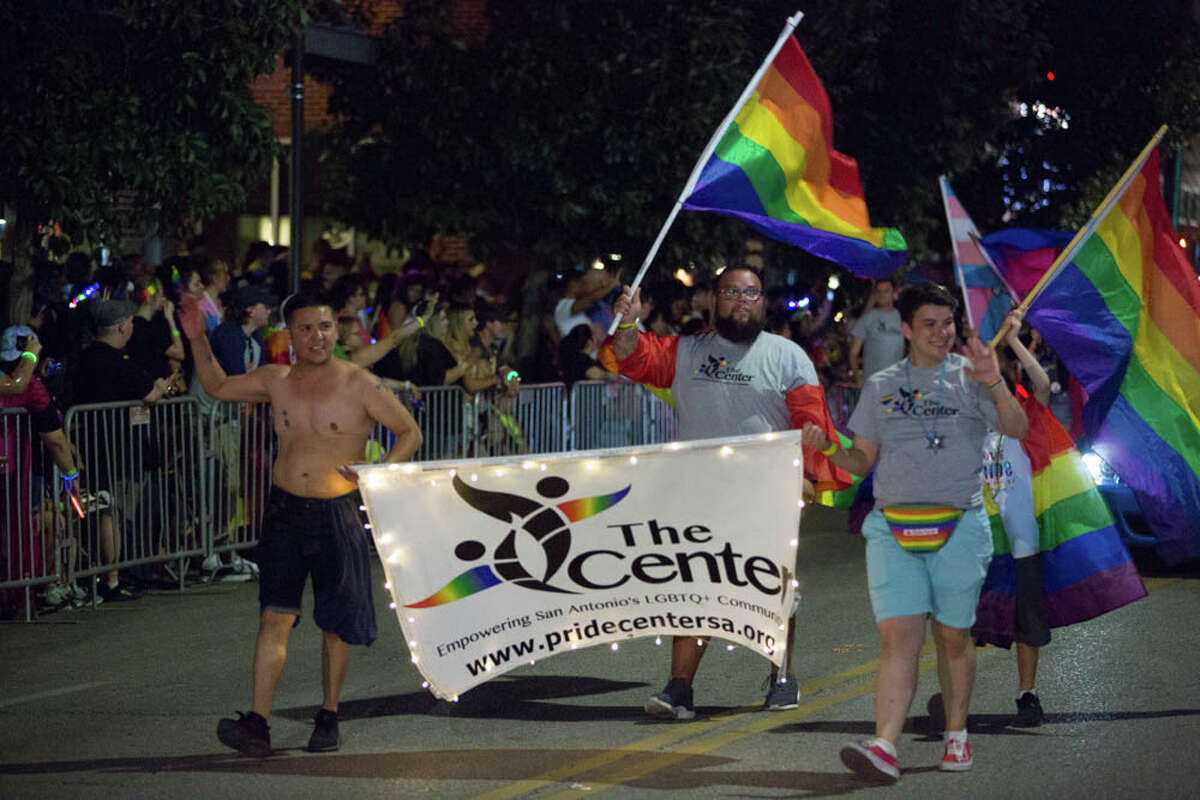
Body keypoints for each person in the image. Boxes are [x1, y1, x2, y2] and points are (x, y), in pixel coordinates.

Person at [801, 281, 1027, 783]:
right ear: (905, 328)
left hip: (960, 524)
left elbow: (1016, 428)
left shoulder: (975, 377)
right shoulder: (881, 384)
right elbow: (861, 459)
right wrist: (824, 450)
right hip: (893, 528)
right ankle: (885, 744)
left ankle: (956, 735)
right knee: (898, 640)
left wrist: (996, 383)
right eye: (929, 324)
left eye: (947, 323)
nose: (941, 333)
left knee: (952, 636)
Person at [181, 290, 422, 757]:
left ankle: (328, 716)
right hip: (285, 512)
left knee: (335, 623)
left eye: (326, 327)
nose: (317, 337)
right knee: (274, 616)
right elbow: (217, 386)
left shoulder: (359, 383)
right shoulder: (277, 379)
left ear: (337, 330)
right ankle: (258, 723)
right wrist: (196, 339)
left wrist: (379, 473)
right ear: (289, 334)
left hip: (338, 513)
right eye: (306, 328)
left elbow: (409, 431)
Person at [611, 265, 849, 719]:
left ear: (763, 302)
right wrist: (627, 321)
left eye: (752, 293)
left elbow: (810, 421)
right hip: (698, 493)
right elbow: (629, 358)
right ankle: (680, 689)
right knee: (694, 587)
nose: (742, 300)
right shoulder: (685, 351)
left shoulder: (787, 356)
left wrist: (808, 475)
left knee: (772, 587)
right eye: (732, 292)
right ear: (714, 300)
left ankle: (781, 676)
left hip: (768, 492)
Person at [74, 300, 178, 602]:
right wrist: (160, 386)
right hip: (114, 447)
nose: (132, 327)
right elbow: (149, 393)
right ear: (122, 325)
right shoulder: (115, 360)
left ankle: (107, 574)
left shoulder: (86, 357)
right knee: (111, 512)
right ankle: (112, 578)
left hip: (92, 444)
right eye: (131, 322)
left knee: (104, 510)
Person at [848, 278, 904, 385]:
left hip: (895, 383)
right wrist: (858, 377)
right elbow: (853, 353)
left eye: (886, 291)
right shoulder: (867, 318)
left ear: (894, 293)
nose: (882, 295)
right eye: (879, 291)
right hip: (873, 383)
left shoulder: (903, 318)